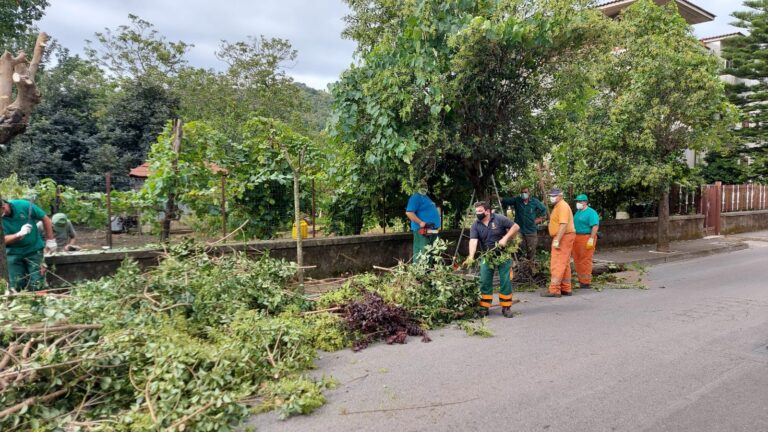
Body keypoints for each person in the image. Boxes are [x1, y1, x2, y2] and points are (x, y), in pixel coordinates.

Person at [466, 201, 520, 318]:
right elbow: (473, 241)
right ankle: (484, 307)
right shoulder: (476, 225)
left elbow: (515, 226)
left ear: (487, 211)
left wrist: (505, 238)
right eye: (476, 211)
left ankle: (506, 307)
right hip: (487, 256)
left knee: (505, 280)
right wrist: (471, 256)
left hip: (503, 255)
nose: (477, 213)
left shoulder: (499, 219)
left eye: (480, 211)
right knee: (484, 281)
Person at [2, 198, 56, 291]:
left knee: (38, 281)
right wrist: (18, 234)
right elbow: (2, 240)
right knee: (16, 283)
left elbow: (45, 218)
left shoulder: (23, 205)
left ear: (3, 207)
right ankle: (20, 302)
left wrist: (50, 240)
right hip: (13, 253)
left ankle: (40, 302)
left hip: (34, 250)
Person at [542, 188, 576, 297]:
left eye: (554, 195)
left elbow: (563, 224)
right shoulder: (560, 206)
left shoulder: (562, 206)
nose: (552, 197)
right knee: (564, 263)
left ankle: (554, 289)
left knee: (557, 262)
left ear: (560, 196)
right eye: (551, 195)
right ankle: (566, 288)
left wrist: (557, 239)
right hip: (565, 236)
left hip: (563, 237)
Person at [501, 187, 547, 260]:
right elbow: (506, 200)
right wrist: (498, 197)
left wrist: (539, 219)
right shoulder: (517, 200)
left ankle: (530, 262)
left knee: (531, 248)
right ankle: (518, 262)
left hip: (531, 229)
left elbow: (544, 210)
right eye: (522, 192)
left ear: (529, 193)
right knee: (517, 246)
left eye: (525, 192)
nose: (524, 194)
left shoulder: (534, 202)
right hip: (519, 229)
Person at [405, 188, 441, 264]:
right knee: (423, 251)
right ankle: (421, 272)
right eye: (422, 182)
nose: (425, 185)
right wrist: (420, 222)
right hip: (422, 230)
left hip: (432, 229)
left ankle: (430, 271)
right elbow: (409, 212)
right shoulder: (416, 197)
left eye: (425, 182)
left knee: (432, 251)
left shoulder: (426, 197)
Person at [572, 194, 599, 290]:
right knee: (577, 259)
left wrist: (591, 239)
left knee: (585, 260)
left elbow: (595, 226)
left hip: (586, 237)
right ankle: (581, 280)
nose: (578, 203)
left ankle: (586, 282)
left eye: (580, 201)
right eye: (577, 201)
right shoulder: (578, 212)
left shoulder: (591, 212)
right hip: (576, 238)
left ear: (585, 202)